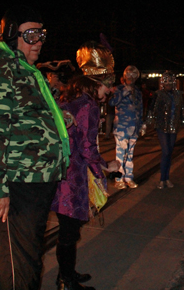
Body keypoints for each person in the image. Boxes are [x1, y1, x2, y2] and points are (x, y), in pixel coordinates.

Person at [0, 5, 70, 289]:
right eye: (31, 34)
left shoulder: (23, 68)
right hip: (14, 183)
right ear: (12, 35)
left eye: (42, 34)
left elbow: (24, 113)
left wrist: (60, 119)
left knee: (24, 260)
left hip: (31, 180)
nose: (38, 40)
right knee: (14, 265)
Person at [51, 73, 119, 289]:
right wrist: (107, 167)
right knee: (69, 232)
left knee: (67, 228)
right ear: (95, 84)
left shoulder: (67, 101)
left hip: (58, 173)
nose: (109, 91)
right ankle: (66, 281)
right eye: (107, 86)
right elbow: (88, 148)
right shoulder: (88, 106)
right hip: (73, 178)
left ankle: (66, 273)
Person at [146, 71, 184, 189]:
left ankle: (167, 178)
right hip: (161, 126)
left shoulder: (178, 95)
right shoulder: (158, 94)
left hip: (174, 127)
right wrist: (146, 123)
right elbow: (151, 108)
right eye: (166, 83)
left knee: (169, 152)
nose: (168, 85)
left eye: (170, 82)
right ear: (162, 83)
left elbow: (181, 110)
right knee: (165, 151)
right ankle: (161, 179)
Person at [109, 65, 145, 189]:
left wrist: (141, 124)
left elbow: (140, 110)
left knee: (130, 154)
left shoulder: (138, 92)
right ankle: (118, 178)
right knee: (120, 154)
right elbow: (112, 102)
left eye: (134, 75)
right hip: (121, 128)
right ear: (125, 76)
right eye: (129, 75)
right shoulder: (118, 89)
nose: (131, 78)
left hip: (133, 128)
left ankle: (129, 177)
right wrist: (125, 91)